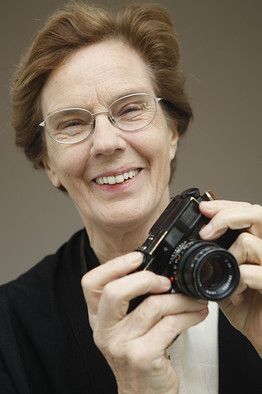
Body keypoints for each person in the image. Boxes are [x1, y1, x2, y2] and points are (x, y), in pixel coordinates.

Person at [0, 1, 261, 393]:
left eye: (131, 108)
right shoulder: (9, 329)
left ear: (171, 132)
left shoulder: (255, 267)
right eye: (72, 123)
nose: (106, 142)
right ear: (48, 163)